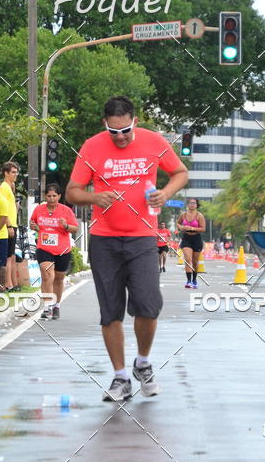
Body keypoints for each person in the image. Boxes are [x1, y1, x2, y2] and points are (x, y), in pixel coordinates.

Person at [66, 95, 188, 402]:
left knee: (149, 305)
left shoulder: (154, 141)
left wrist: (164, 193)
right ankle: (120, 377)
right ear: (104, 125)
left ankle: (142, 363)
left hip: (143, 237)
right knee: (111, 313)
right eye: (113, 132)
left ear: (135, 122)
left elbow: (180, 172)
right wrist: (94, 198)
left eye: (125, 131)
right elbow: (72, 192)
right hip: (104, 240)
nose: (120, 137)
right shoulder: (92, 147)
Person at [30, 182, 78, 319]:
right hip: (44, 248)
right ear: (45, 196)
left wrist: (66, 225)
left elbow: (75, 228)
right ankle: (47, 307)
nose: (51, 198)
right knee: (47, 276)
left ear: (59, 196)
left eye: (54, 196)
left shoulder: (66, 211)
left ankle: (56, 306)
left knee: (58, 279)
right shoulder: (39, 209)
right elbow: (33, 223)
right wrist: (33, 226)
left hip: (62, 249)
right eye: (49, 196)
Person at [0, 161, 20, 290]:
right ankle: (8, 283)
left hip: (14, 223)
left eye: (16, 172)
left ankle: (13, 283)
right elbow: (3, 208)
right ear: (6, 173)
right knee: (8, 256)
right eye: (13, 172)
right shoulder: (3, 187)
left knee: (12, 256)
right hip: (9, 225)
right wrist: (8, 226)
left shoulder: (9, 187)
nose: (15, 175)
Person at [178, 198, 206, 288]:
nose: (192, 204)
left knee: (195, 262)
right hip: (186, 238)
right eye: (190, 203)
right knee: (188, 259)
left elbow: (203, 229)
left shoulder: (199, 216)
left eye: (194, 203)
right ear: (188, 204)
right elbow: (178, 223)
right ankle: (188, 281)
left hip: (196, 239)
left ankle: (194, 280)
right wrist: (181, 227)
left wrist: (193, 228)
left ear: (197, 205)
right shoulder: (183, 215)